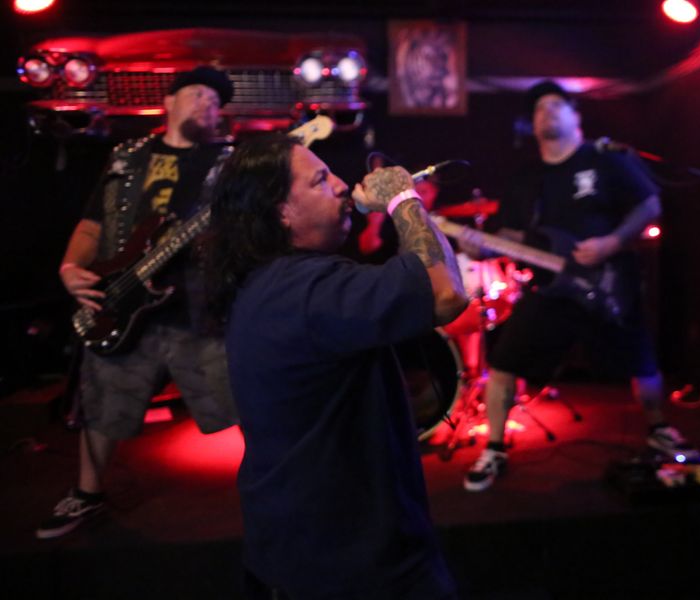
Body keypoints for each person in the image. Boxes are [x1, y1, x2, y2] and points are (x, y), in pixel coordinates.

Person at [205, 133, 467, 599]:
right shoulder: (309, 289)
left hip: (303, 549)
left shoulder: (272, 283)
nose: (343, 185)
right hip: (350, 563)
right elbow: (445, 291)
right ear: (281, 212)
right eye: (320, 181)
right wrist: (403, 198)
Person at [36, 66, 240, 539]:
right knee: (102, 402)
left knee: (240, 397)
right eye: (197, 93)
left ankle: (282, 487)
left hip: (198, 307)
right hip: (123, 300)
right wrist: (70, 267)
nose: (207, 103)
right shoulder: (127, 158)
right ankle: (86, 494)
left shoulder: (230, 163)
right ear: (168, 102)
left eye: (215, 100)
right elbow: (92, 224)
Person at [462, 80, 695, 492]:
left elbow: (649, 203)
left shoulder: (604, 159)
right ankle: (494, 447)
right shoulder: (526, 178)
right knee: (503, 363)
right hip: (551, 288)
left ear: (576, 116)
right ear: (532, 124)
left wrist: (613, 242)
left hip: (607, 283)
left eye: (557, 104)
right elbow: (512, 234)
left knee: (642, 361)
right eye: (539, 108)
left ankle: (658, 427)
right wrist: (480, 246)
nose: (547, 112)